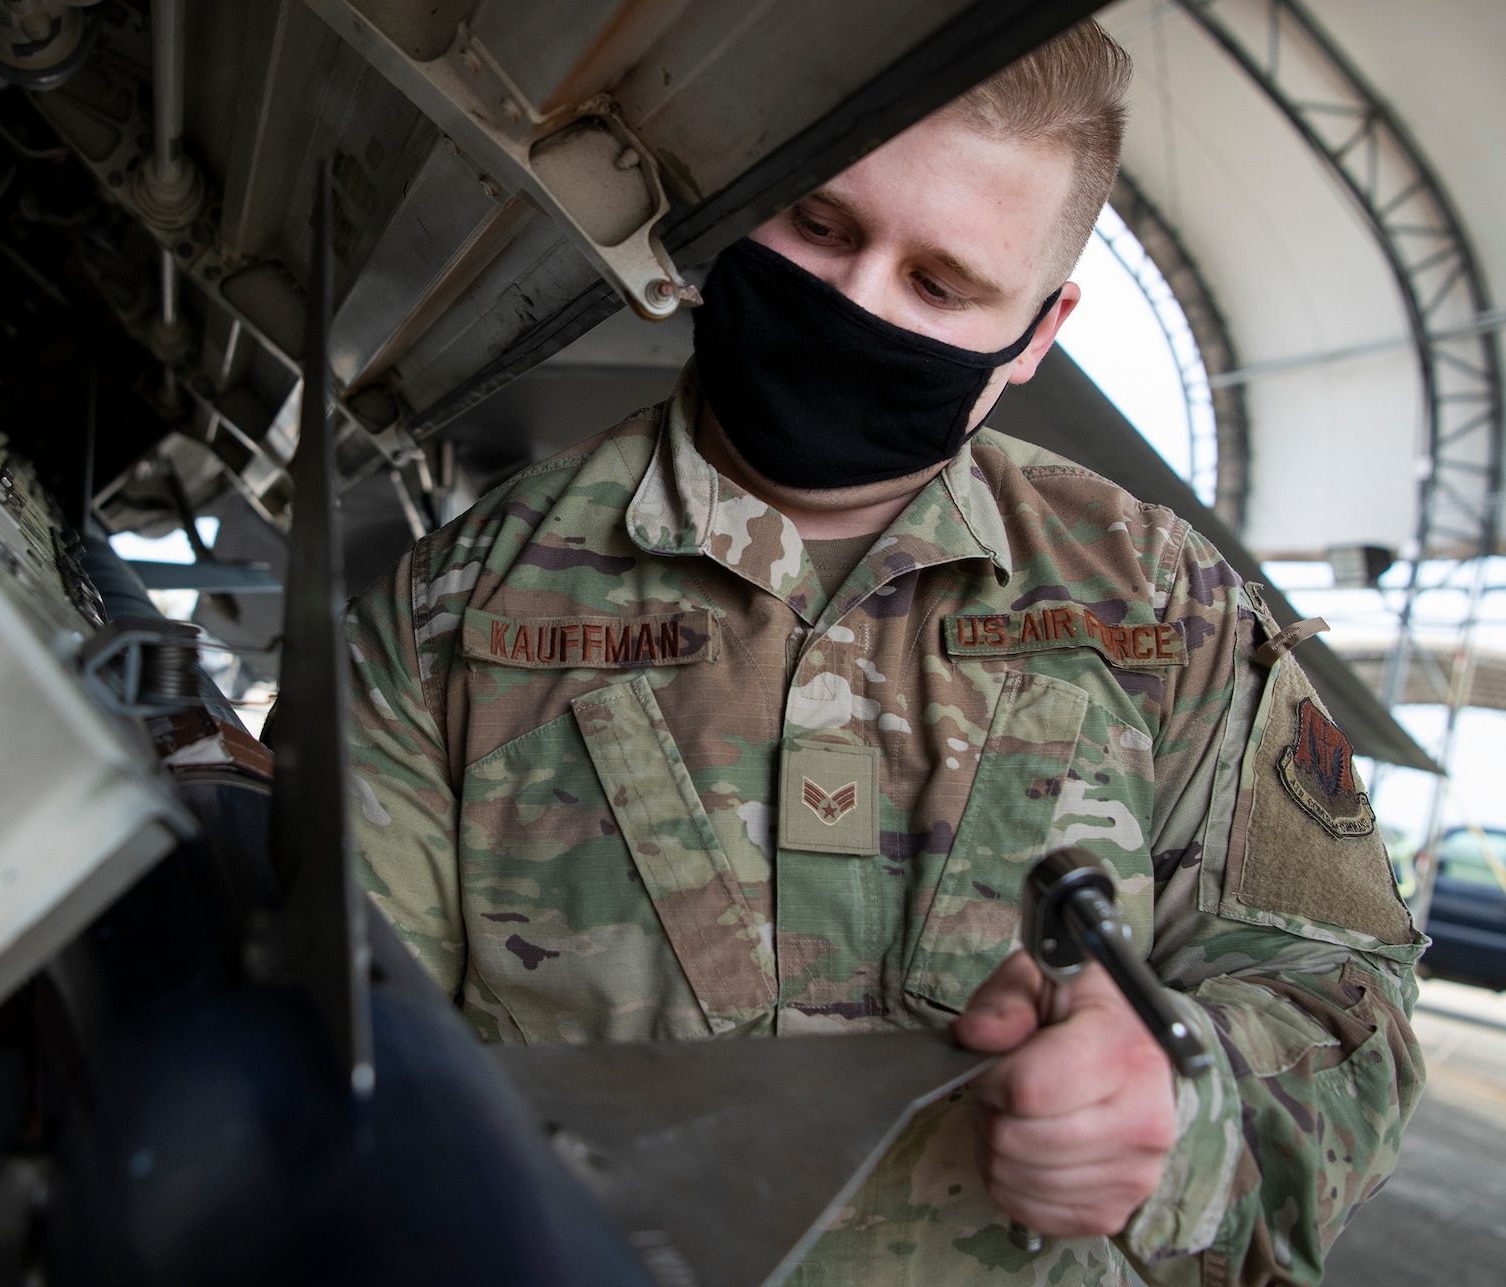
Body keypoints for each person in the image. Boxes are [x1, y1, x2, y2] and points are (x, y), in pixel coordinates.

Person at [346, 20, 1424, 1285]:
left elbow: (1340, 994)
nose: (854, 303)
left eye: (940, 286)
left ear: (1037, 332)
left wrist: (1181, 1115)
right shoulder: (461, 606)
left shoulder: (1162, 609)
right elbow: (347, 1035)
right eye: (817, 225)